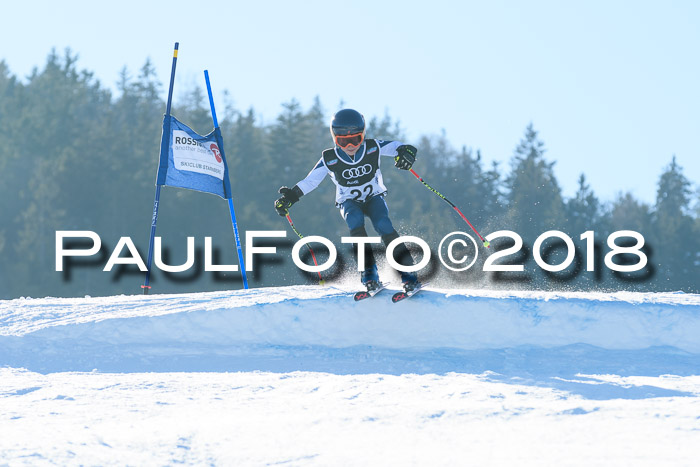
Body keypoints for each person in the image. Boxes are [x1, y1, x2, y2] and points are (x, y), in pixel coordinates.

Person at [274, 108, 420, 292]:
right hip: (349, 201)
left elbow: (397, 147)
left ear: (363, 135)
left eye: (355, 139)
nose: (350, 145)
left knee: (383, 224)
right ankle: (369, 275)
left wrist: (406, 152)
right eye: (342, 141)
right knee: (354, 221)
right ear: (335, 138)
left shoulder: (372, 147)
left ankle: (408, 274)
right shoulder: (330, 158)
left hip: (374, 197)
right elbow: (311, 181)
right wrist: (291, 197)